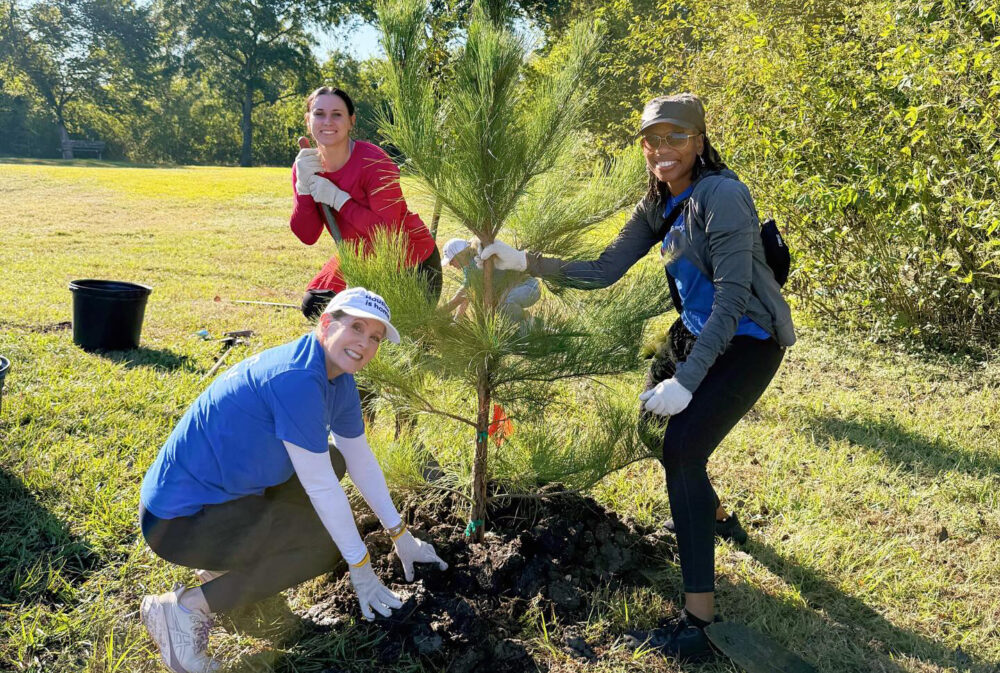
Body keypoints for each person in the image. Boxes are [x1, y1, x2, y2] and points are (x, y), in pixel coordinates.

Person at [480, 93, 795, 661]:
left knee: (679, 447)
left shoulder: (722, 195)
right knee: (657, 431)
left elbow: (732, 298)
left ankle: (698, 623)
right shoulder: (658, 200)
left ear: (699, 140)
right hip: (694, 333)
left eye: (675, 137)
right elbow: (604, 270)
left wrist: (688, 380)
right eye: (652, 140)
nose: (662, 150)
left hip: (747, 341)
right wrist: (524, 262)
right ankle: (718, 515)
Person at [138, 287, 448, 673]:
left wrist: (402, 535)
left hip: (220, 501)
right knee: (322, 548)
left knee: (334, 461)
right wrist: (360, 565)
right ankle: (183, 609)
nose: (364, 344)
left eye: (375, 338)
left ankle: (230, 566)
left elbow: (359, 459)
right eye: (355, 327)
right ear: (325, 324)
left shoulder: (337, 379)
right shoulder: (299, 378)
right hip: (177, 522)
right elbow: (319, 486)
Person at [290, 86, 442, 319]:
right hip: (358, 254)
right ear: (308, 120)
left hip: (410, 260)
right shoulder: (307, 165)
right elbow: (307, 235)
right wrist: (303, 188)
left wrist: (339, 199)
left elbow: (387, 233)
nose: (327, 121)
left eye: (337, 114)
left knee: (388, 326)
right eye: (319, 114)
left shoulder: (374, 161)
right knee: (317, 305)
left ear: (351, 121)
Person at [440, 237, 541, 323]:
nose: (450, 264)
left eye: (451, 260)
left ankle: (530, 324)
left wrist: (435, 315)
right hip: (515, 290)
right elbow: (468, 295)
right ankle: (531, 323)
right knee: (503, 310)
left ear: (460, 255)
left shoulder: (476, 263)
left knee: (505, 305)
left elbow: (459, 298)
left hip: (528, 287)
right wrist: (458, 319)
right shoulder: (468, 265)